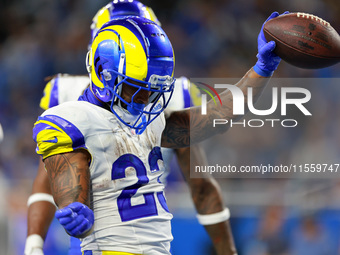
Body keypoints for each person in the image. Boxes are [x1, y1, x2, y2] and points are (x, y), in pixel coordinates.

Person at [32, 8, 284, 253]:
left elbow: (217, 115)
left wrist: (261, 69)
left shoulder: (152, 119)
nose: (145, 99)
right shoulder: (71, 119)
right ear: (102, 72)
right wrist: (75, 208)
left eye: (153, 91)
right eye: (136, 87)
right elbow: (69, 183)